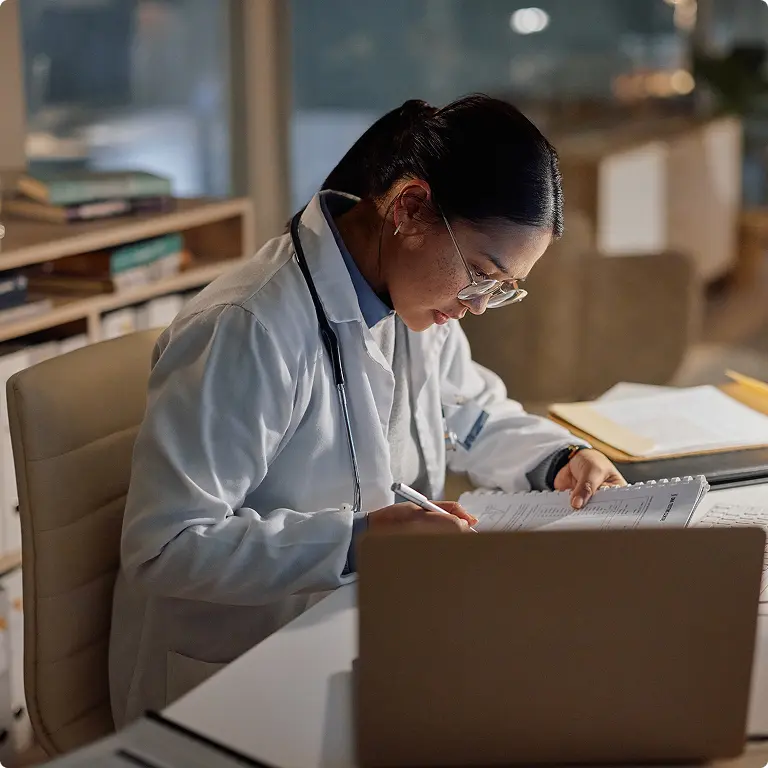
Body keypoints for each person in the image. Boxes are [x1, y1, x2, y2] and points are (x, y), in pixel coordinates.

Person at [109, 94, 625, 725]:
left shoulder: (411, 299)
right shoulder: (251, 328)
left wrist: (560, 459)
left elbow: (472, 414)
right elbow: (167, 545)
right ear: (408, 208)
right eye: (481, 275)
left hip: (369, 634)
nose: (480, 305)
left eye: (503, 289)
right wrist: (359, 541)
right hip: (235, 676)